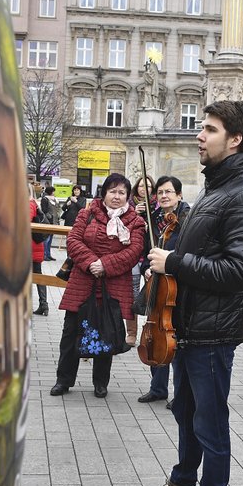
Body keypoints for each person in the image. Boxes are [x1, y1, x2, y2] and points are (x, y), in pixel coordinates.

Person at [136, 100, 243, 486]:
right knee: (186, 414)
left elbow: (241, 271)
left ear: (235, 140)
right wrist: (168, 267)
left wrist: (175, 260)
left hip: (213, 334)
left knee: (210, 424)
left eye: (208, 129)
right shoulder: (215, 189)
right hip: (187, 326)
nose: (198, 135)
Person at [50, 173, 146, 399]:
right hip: (82, 282)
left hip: (111, 286)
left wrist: (105, 264)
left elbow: (134, 251)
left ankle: (100, 383)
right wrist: (92, 263)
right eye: (112, 191)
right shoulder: (88, 212)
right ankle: (63, 380)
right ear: (104, 193)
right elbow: (73, 240)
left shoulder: (135, 221)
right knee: (71, 333)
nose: (117, 196)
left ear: (128, 196)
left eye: (122, 192)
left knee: (106, 333)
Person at [136, 175, 191, 408]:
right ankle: (157, 388)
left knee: (175, 339)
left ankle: (180, 395)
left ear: (179, 195)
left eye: (169, 192)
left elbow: (189, 254)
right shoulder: (155, 218)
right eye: (160, 193)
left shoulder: (188, 219)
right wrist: (147, 269)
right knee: (155, 334)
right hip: (157, 284)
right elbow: (146, 252)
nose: (164, 196)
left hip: (178, 285)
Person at [126, 177, 156, 347]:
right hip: (134, 256)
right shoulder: (128, 206)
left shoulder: (158, 207)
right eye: (142, 185)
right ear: (136, 187)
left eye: (149, 186)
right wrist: (134, 214)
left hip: (151, 256)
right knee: (133, 295)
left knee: (153, 296)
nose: (145, 188)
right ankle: (131, 333)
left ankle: (151, 332)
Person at [30, 193, 48, 316]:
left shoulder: (28, 204)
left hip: (29, 247)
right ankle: (44, 305)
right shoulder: (33, 203)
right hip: (35, 246)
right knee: (37, 275)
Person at [41, 185, 58, 261]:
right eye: (53, 191)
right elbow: (44, 210)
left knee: (50, 239)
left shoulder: (55, 200)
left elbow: (57, 209)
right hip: (48, 222)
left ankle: (48, 254)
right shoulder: (44, 199)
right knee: (46, 239)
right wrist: (50, 216)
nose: (54, 192)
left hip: (53, 221)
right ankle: (44, 254)